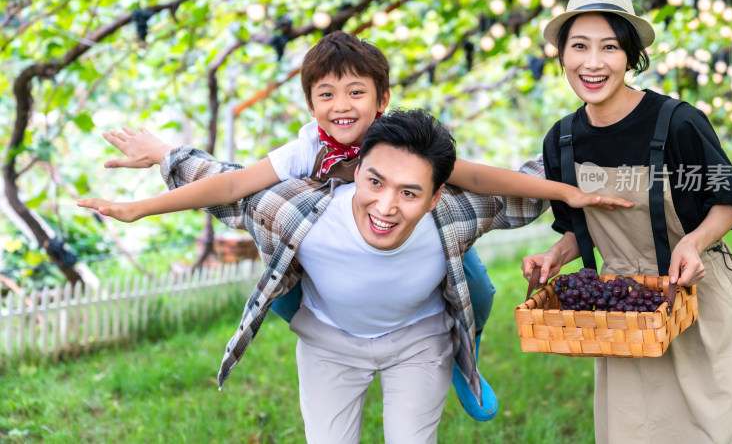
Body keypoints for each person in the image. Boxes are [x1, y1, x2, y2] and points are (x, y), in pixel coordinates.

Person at [78, 31, 631, 421]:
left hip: (414, 247)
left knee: (478, 290)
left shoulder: (401, 146)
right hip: (332, 275)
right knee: (290, 282)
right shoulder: (306, 148)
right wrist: (143, 204)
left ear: (381, 99)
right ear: (310, 103)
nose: (341, 106)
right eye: (326, 95)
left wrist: (564, 191)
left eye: (356, 93)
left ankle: (468, 357)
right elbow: (230, 185)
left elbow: (485, 179)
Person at [94, 108, 549, 443]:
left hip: (419, 338)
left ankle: (462, 364)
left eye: (409, 192)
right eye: (375, 183)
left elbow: (524, 185)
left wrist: (590, 151)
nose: (387, 207)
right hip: (330, 344)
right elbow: (225, 180)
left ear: (434, 198)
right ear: (358, 170)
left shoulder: (454, 213)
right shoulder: (301, 211)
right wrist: (161, 153)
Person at [521, 0, 732, 444]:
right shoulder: (562, 141)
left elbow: (730, 201)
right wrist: (555, 256)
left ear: (630, 55)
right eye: (579, 47)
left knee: (727, 429)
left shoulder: (678, 122)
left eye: (609, 47)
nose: (593, 63)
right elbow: (580, 228)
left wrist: (693, 241)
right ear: (562, 55)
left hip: (699, 299)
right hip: (627, 316)